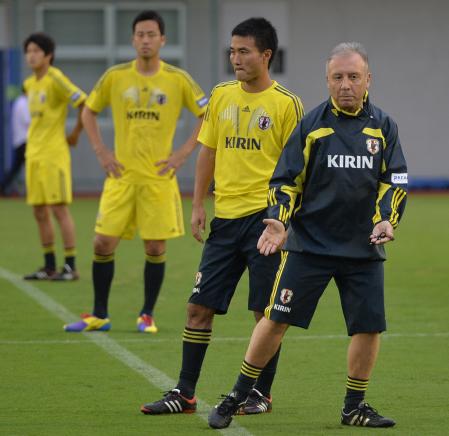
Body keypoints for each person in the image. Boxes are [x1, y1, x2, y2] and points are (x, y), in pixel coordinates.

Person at [207, 42, 408, 430]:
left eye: (353, 77)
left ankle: (354, 407)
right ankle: (238, 394)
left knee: (368, 327)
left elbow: (394, 179)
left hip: (363, 247)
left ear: (368, 80)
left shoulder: (383, 127)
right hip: (310, 246)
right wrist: (279, 221)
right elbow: (284, 181)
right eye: (338, 77)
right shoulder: (312, 125)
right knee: (275, 319)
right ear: (327, 81)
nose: (345, 84)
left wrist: (387, 220)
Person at [140, 17, 304, 415]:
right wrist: (197, 204)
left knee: (264, 313)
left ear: (266, 55)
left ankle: (259, 394)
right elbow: (207, 151)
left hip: (265, 222)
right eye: (232, 51)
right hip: (224, 220)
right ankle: (185, 393)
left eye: (244, 51)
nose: (236, 58)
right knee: (199, 306)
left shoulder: (287, 104)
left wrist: (287, 223)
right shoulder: (221, 96)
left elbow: (300, 171)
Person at [63, 10, 208, 334]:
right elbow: (88, 111)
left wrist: (182, 154)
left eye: (151, 34)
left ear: (162, 40)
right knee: (102, 243)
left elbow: (206, 112)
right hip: (121, 177)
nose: (145, 40)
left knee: (155, 248)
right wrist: (101, 151)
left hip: (158, 179)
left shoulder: (177, 78)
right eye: (140, 34)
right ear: (133, 40)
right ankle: (99, 314)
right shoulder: (115, 76)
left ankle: (147, 315)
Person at [23, 33, 86, 281]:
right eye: (28, 51)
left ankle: (70, 266)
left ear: (48, 55)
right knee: (39, 211)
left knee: (59, 209)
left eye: (36, 50)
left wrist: (75, 134)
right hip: (34, 154)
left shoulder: (56, 78)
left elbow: (84, 103)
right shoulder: (30, 84)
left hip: (53, 154)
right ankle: (49, 265)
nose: (31, 55)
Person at [0, 90, 30, 196]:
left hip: (20, 140)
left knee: (16, 167)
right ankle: (30, 191)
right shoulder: (23, 103)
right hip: (24, 140)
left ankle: (3, 186)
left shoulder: (19, 102)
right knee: (30, 167)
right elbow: (28, 121)